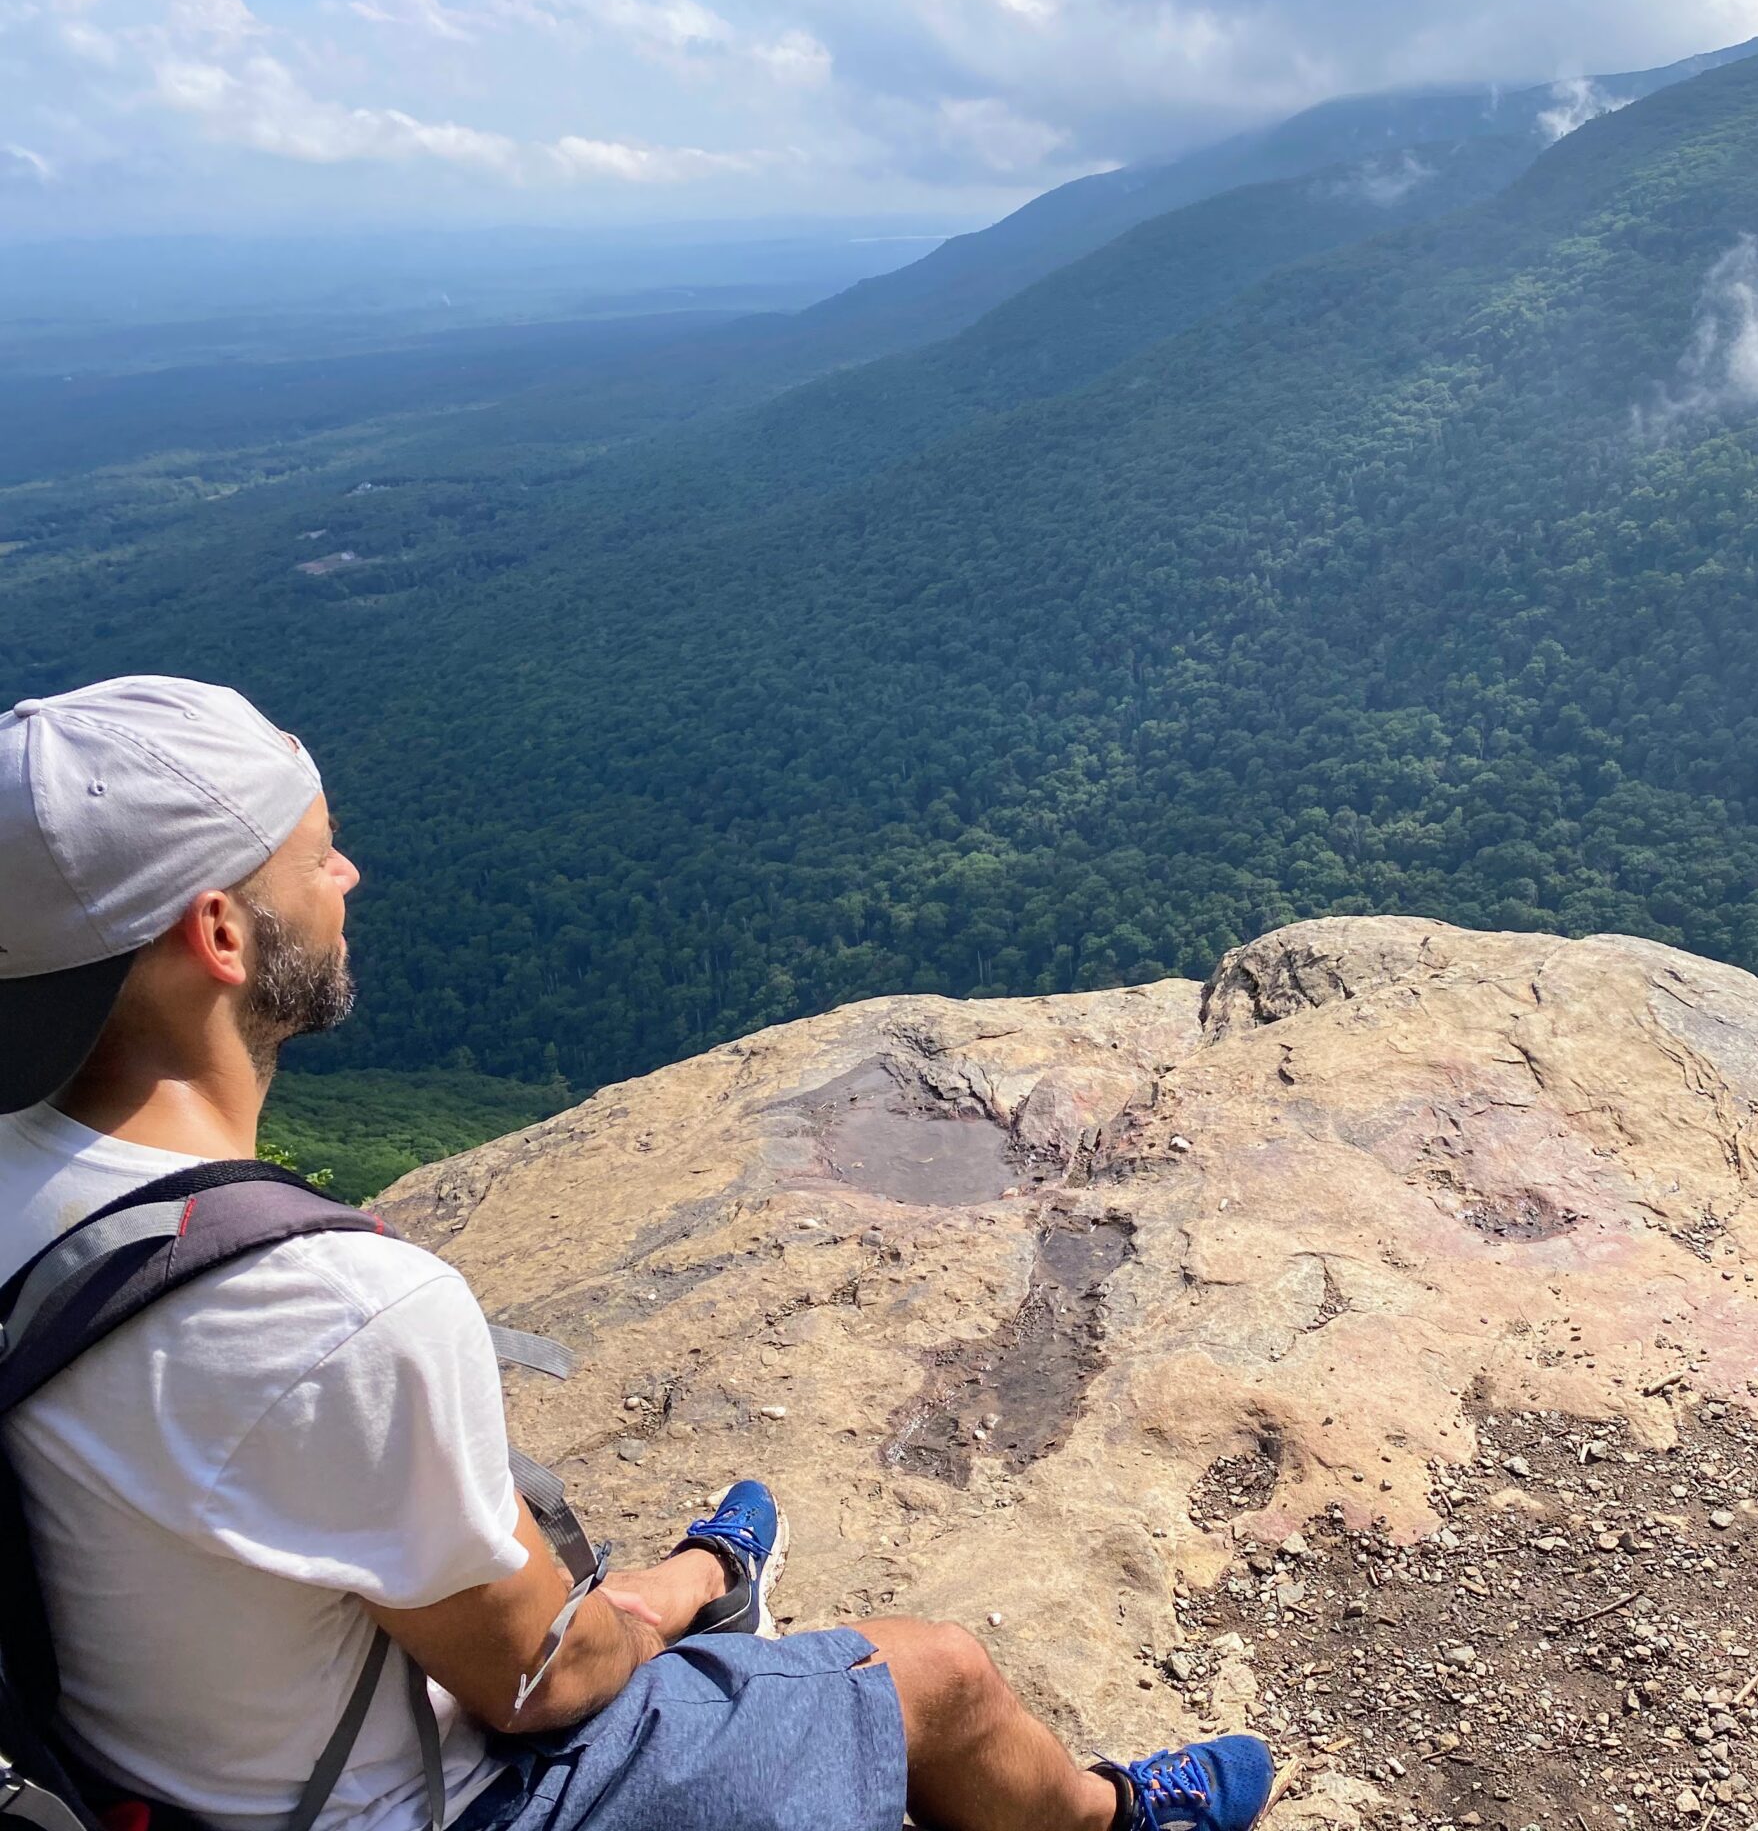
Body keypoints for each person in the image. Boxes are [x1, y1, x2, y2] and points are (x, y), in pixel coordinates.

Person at [0, 677, 1276, 1831]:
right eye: (319, 858)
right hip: (405, 1809)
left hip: (121, 1771)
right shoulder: (332, 1309)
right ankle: (1112, 1822)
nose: (349, 881)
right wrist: (664, 1603)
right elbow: (537, 1681)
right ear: (221, 935)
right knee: (938, 1675)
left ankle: (710, 1583)